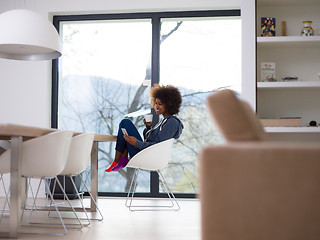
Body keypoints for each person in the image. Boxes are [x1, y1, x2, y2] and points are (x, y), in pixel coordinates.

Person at [105, 84, 184, 172]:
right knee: (125, 126)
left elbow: (157, 145)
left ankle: (118, 161)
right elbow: (151, 139)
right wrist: (148, 127)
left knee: (125, 122)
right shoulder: (164, 121)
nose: (156, 106)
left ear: (169, 105)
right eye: (156, 103)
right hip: (146, 154)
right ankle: (121, 159)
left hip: (149, 157)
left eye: (160, 104)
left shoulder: (171, 122)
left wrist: (137, 143)